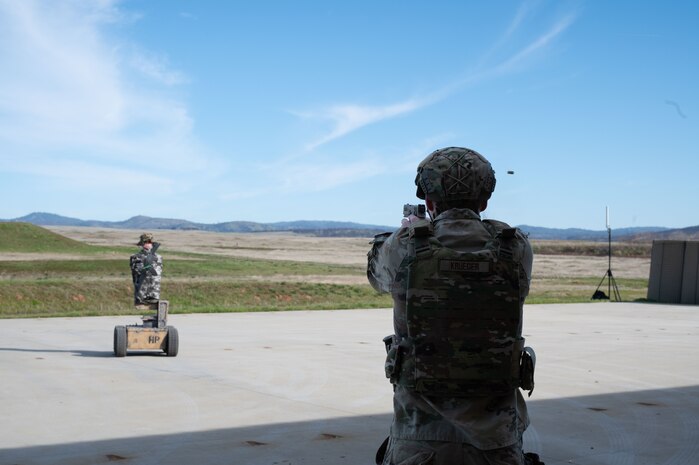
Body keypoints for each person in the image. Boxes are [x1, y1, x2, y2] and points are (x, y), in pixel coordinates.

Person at [367, 147, 541, 465]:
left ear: (429, 201)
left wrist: (407, 229)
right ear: (485, 201)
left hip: (418, 442)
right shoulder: (515, 248)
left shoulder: (404, 247)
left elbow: (377, 279)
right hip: (497, 445)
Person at [130, 232, 163, 306]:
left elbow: (135, 276)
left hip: (146, 297)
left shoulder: (135, 257)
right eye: (147, 242)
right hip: (150, 295)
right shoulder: (159, 257)